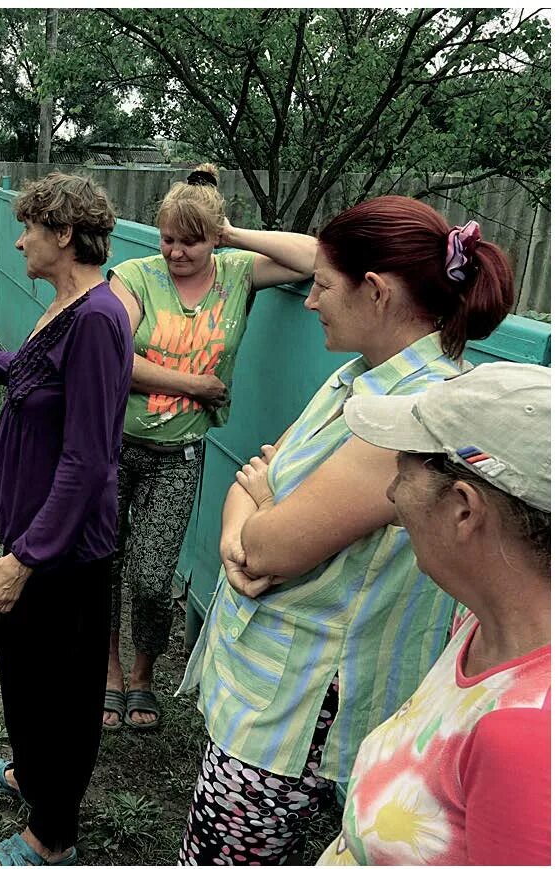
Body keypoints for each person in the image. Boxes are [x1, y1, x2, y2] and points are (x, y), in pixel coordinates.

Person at [177, 197, 516, 864]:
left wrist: (254, 514)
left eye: (324, 287)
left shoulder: (404, 413)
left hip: (292, 717)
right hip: (282, 693)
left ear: (377, 292)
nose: (309, 300)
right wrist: (258, 505)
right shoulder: (365, 375)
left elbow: (267, 543)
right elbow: (261, 475)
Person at [0, 173, 131, 866]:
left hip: (64, 553)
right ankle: (30, 776)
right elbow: (36, 374)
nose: (18, 240)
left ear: (64, 233)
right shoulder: (66, 307)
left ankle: (53, 834)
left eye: (30, 228)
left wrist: (28, 557)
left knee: (61, 693)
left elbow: (89, 458)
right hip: (34, 541)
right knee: (22, 669)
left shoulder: (100, 319)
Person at [101, 164, 317, 731]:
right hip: (113, 444)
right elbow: (115, 360)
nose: (174, 252)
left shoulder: (236, 274)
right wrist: (195, 385)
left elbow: (318, 258)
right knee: (103, 563)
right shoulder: (133, 276)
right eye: (167, 237)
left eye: (190, 241)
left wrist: (233, 234)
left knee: (151, 574)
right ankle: (110, 672)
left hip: (179, 453)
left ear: (213, 240)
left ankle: (144, 674)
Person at [315, 362, 550, 865]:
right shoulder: (482, 621)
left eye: (404, 468)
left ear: (464, 509)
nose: (391, 493)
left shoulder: (529, 738)